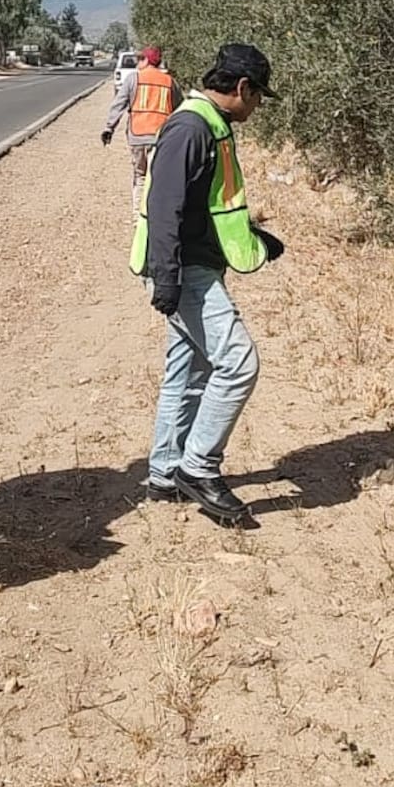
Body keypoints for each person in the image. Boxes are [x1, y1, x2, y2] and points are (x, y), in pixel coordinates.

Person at [130, 42, 284, 529]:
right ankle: (199, 466)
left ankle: (165, 472)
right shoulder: (191, 128)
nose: (257, 106)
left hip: (197, 266)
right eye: (257, 96)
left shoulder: (209, 125)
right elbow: (164, 206)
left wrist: (255, 239)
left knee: (188, 373)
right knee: (239, 364)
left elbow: (208, 205)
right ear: (240, 88)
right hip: (187, 273)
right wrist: (167, 277)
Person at [101, 46, 181, 209]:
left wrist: (109, 128)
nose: (137, 63)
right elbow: (180, 108)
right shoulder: (169, 81)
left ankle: (138, 219)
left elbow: (119, 105)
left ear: (147, 60)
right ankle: (156, 216)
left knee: (140, 177)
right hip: (161, 138)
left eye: (140, 59)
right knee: (158, 178)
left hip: (137, 136)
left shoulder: (133, 79)